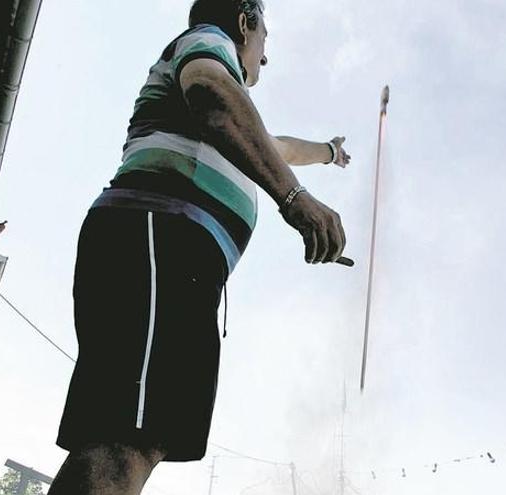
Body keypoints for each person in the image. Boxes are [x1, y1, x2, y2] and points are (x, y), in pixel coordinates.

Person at [49, 1, 350, 493]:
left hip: (179, 255)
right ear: (245, 21)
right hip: (161, 236)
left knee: (143, 437)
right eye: (265, 41)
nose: (266, 59)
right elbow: (213, 92)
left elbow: (279, 147)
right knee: (125, 438)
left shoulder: (233, 103)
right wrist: (293, 198)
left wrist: (329, 153)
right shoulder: (210, 42)